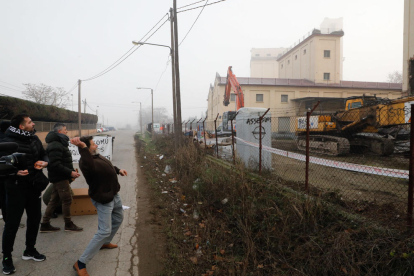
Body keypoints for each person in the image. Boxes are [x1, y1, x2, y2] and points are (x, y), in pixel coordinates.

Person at [70, 136, 127, 276]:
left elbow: (107, 167)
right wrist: (83, 148)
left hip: (114, 194)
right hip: (104, 199)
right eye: (93, 144)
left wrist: (118, 170)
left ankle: (105, 243)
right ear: (87, 149)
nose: (96, 145)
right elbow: (91, 167)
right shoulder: (85, 162)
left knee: (119, 218)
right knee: (104, 231)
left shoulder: (96, 156)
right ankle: (81, 263)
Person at [1, 114, 49, 275]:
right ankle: (6, 258)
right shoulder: (5, 142)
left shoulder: (33, 138)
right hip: (15, 189)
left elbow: (44, 154)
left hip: (34, 186)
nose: (33, 123)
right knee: (12, 225)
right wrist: (15, 174)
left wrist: (45, 162)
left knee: (34, 219)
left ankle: (30, 250)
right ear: (22, 126)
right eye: (30, 122)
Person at [40, 123, 82, 233]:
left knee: (53, 200)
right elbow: (55, 164)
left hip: (60, 176)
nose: (67, 131)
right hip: (60, 177)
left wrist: (71, 172)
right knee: (67, 200)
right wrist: (70, 173)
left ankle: (45, 224)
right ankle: (68, 224)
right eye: (65, 130)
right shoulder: (55, 145)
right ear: (59, 131)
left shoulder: (59, 143)